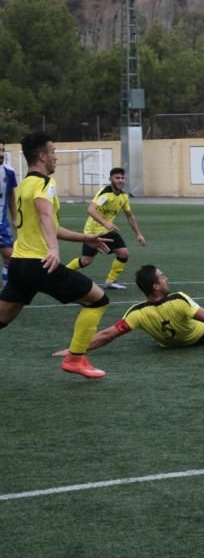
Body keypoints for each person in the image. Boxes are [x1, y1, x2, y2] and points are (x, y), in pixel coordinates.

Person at [0, 132, 113, 378]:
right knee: (98, 300)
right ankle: (76, 358)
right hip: (40, 263)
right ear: (41, 156)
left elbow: (50, 226)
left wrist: (87, 238)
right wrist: (53, 249)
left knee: (3, 317)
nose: (56, 158)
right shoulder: (44, 183)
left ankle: (76, 358)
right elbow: (45, 216)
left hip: (19, 264)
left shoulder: (24, 186)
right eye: (52, 152)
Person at [53, 264, 204, 353]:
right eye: (162, 276)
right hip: (198, 337)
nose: (166, 278)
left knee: (196, 311)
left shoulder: (136, 313)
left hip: (168, 345)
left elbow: (107, 334)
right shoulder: (178, 299)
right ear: (156, 286)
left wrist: (76, 349)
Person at [66, 167, 146, 290]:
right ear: (110, 179)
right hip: (92, 232)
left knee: (123, 253)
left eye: (122, 178)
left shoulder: (124, 196)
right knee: (86, 261)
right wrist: (105, 223)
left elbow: (129, 216)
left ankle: (110, 281)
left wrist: (139, 234)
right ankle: (62, 273)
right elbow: (90, 210)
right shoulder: (105, 193)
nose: (120, 180)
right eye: (117, 178)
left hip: (108, 231)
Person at [0, 142, 17, 284]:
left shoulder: (9, 172)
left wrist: (14, 218)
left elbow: (11, 195)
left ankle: (7, 290)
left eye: (2, 150)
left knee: (9, 255)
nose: (1, 154)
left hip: (2, 223)